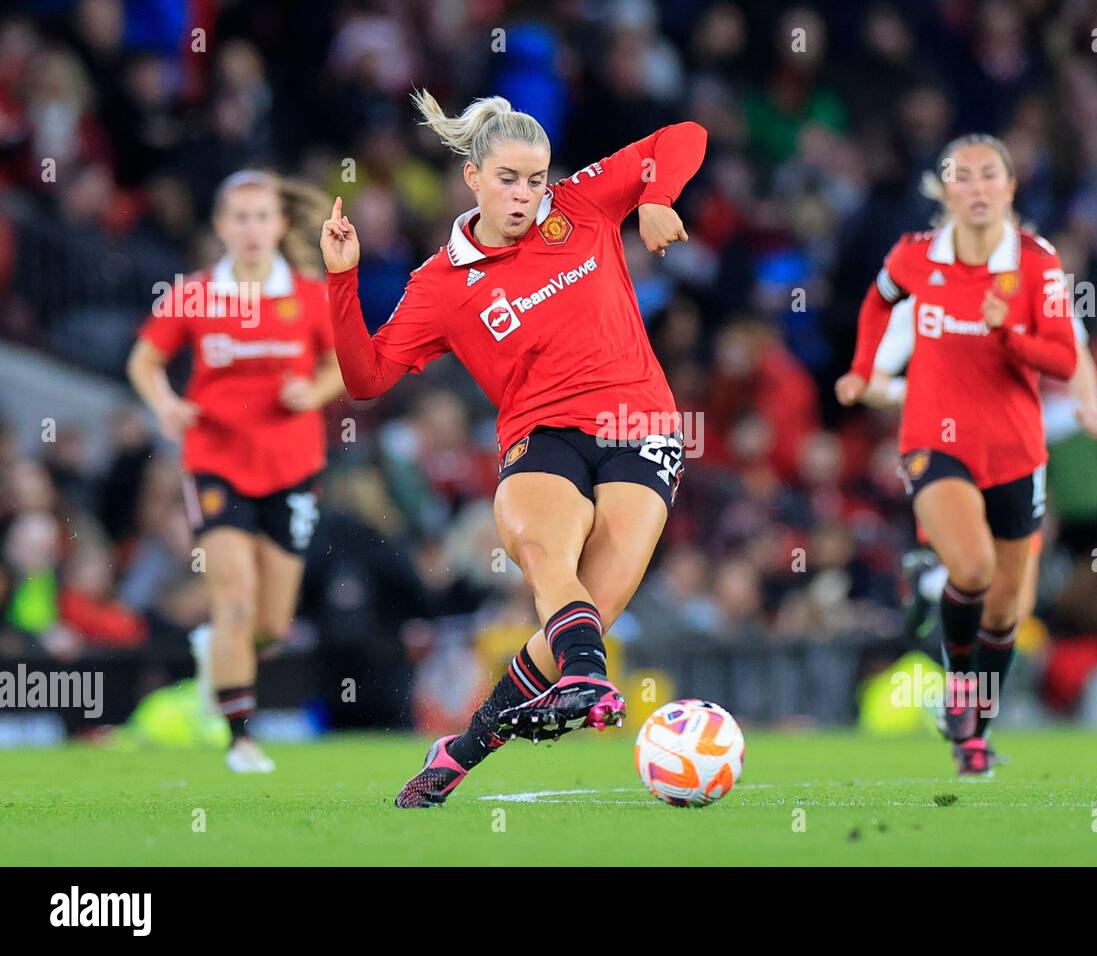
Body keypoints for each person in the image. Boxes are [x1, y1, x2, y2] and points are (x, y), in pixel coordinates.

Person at [320, 93, 707, 807]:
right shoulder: (439, 285)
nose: (526, 194)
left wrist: (656, 196)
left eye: (535, 179)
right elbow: (365, 379)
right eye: (508, 179)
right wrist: (342, 281)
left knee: (581, 615)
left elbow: (685, 134)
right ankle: (586, 679)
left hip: (641, 427)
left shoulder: (581, 205)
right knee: (550, 564)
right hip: (542, 438)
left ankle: (462, 750)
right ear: (472, 177)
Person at [836, 134, 1077, 777]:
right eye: (961, 177)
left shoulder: (1038, 263)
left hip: (1016, 451)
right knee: (971, 569)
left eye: (988, 175)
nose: (976, 188)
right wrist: (861, 369)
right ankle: (959, 674)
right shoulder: (916, 256)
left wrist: (1010, 332)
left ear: (1010, 187)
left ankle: (974, 731)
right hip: (934, 441)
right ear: (944, 191)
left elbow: (1063, 356)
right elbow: (877, 300)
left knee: (1006, 610)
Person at [127, 170, 344, 773]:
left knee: (272, 624)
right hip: (216, 463)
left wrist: (315, 391)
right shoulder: (195, 294)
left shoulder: (308, 295)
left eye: (262, 217)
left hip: (294, 466)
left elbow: (345, 364)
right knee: (236, 603)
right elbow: (145, 361)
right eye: (239, 218)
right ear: (221, 226)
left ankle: (215, 660)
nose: (251, 230)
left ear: (280, 224)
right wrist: (167, 405)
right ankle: (239, 738)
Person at [860, 285, 1097, 639]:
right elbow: (869, 379)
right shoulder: (928, 296)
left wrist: (1088, 404)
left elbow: (1075, 354)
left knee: (1016, 604)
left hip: (1020, 452)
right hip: (953, 443)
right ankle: (938, 599)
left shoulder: (1042, 289)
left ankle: (932, 583)